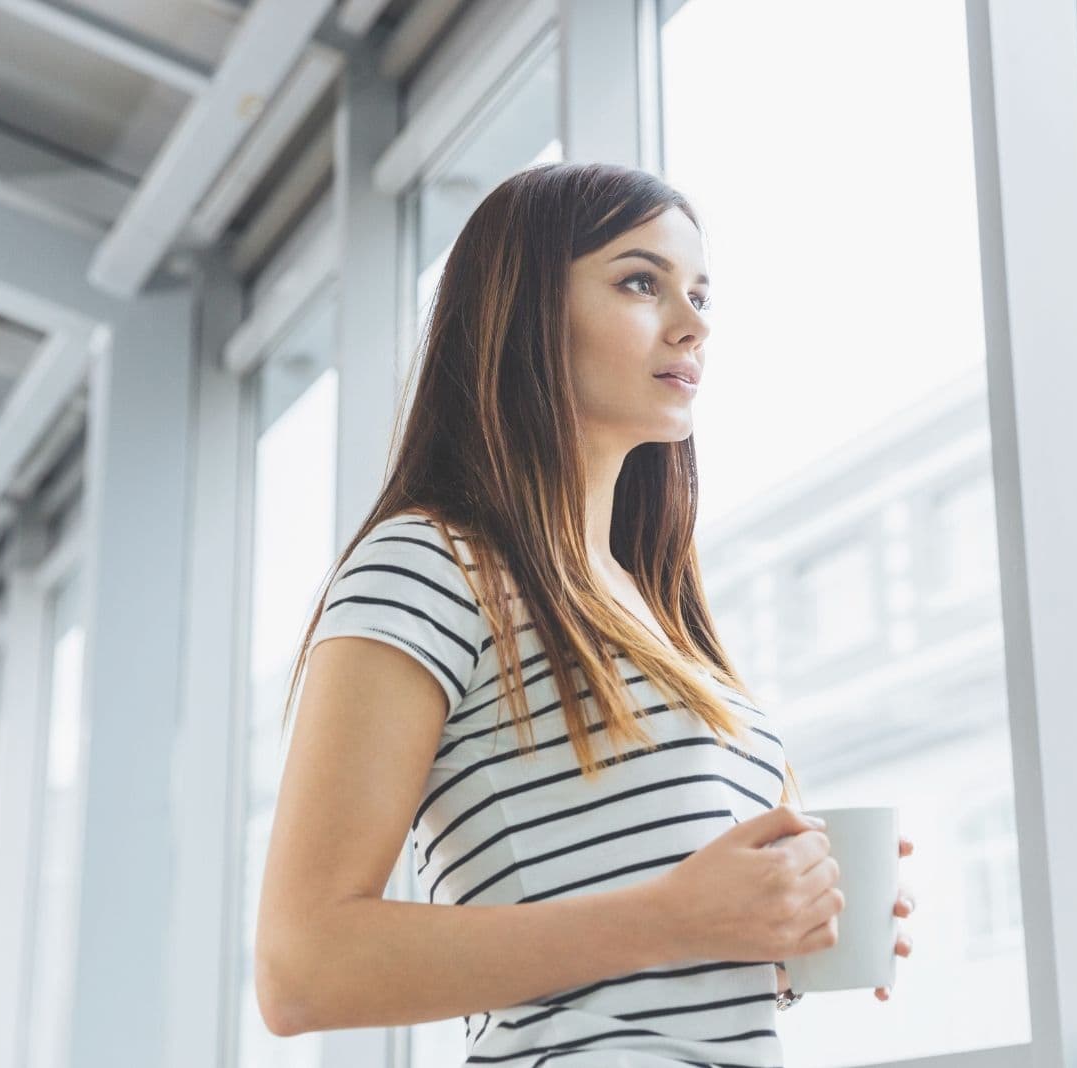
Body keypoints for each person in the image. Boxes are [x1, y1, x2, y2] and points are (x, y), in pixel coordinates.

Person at [253, 161, 914, 1064]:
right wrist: (674, 919)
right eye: (641, 282)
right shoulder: (432, 564)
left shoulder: (655, 611)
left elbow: (642, 954)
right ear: (523, 314)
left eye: (700, 293)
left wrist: (777, 935)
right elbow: (302, 970)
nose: (693, 323)